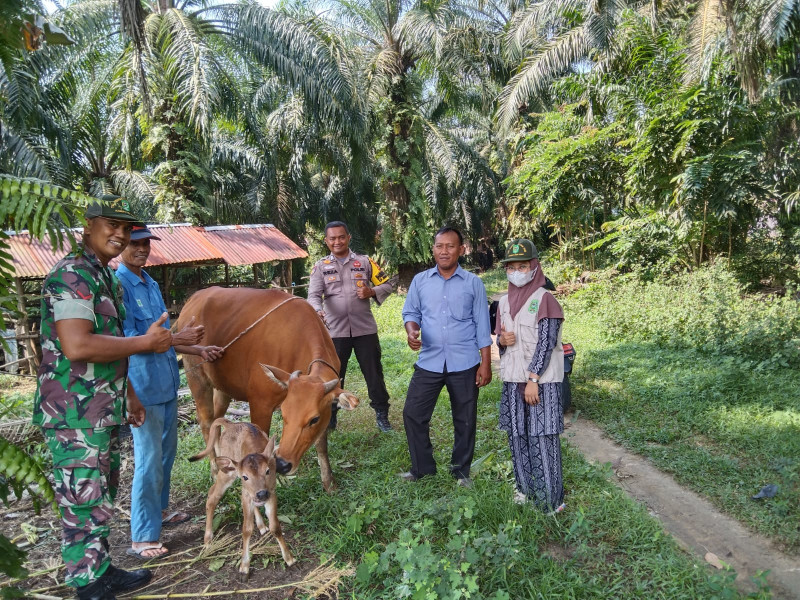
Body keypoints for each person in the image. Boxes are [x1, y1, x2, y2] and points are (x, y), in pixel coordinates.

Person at [33, 198, 173, 600]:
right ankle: (86, 584)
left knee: (99, 496)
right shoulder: (73, 274)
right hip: (73, 412)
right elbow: (77, 345)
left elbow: (112, 349)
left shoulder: (103, 276)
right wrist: (144, 341)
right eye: (112, 225)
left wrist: (129, 395)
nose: (121, 235)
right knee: (81, 499)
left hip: (102, 407)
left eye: (127, 229)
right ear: (90, 225)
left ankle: (100, 568)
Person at [116, 226, 224, 561]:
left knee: (165, 455)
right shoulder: (117, 285)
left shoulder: (148, 283)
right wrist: (182, 339)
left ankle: (159, 512)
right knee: (148, 461)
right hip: (141, 385)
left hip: (164, 382)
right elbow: (132, 338)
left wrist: (198, 347)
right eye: (136, 244)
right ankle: (143, 535)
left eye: (146, 243)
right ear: (121, 245)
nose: (143, 249)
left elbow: (163, 335)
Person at [399, 226, 492, 486]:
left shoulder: (473, 283)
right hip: (428, 360)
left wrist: (485, 364)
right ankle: (423, 469)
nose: (444, 251)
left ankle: (461, 472)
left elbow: (483, 326)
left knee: (465, 419)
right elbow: (410, 313)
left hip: (464, 363)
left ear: (461, 250)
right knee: (412, 413)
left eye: (450, 246)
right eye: (440, 246)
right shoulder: (420, 281)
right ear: (433, 249)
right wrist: (411, 330)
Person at [496, 239, 566, 512]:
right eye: (511, 267)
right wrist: (501, 339)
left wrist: (533, 379)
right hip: (513, 382)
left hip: (541, 384)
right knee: (517, 437)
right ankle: (525, 490)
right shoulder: (503, 302)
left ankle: (551, 501)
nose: (517, 271)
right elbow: (502, 342)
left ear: (534, 267)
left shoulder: (545, 299)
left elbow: (547, 343)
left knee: (542, 439)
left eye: (522, 266)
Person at [307, 221, 396, 432]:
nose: (337, 241)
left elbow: (388, 283)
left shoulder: (365, 263)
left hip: (365, 330)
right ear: (326, 241)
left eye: (341, 237)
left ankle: (382, 414)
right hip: (335, 332)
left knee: (374, 374)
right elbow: (312, 296)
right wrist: (317, 309)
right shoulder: (321, 267)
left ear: (348, 238)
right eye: (332, 238)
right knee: (333, 377)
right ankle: (331, 418)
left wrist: (371, 292)